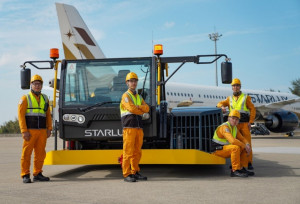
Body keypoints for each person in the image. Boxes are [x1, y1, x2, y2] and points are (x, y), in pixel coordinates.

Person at [18, 74, 52, 183]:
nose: (37, 86)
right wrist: (24, 131)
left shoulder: (45, 98)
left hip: (42, 131)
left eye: (39, 84)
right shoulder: (25, 98)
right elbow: (21, 116)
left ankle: (38, 173)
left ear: (42, 86)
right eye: (35, 84)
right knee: (27, 153)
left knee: (40, 153)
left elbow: (48, 115)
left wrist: (49, 128)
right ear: (31, 85)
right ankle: (25, 175)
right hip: (30, 131)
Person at [217, 78, 256, 170]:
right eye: (234, 86)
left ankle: (249, 162)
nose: (235, 87)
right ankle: (236, 162)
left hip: (244, 124)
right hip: (234, 125)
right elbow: (219, 103)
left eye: (237, 85)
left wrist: (250, 122)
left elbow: (252, 109)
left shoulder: (246, 97)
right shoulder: (229, 99)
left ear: (240, 87)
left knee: (247, 142)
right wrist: (221, 107)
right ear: (232, 88)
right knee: (235, 143)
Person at [120, 72, 150, 182]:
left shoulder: (139, 96)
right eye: (131, 81)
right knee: (128, 152)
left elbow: (147, 108)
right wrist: (141, 111)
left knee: (137, 151)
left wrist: (139, 107)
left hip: (138, 128)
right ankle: (126, 174)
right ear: (127, 83)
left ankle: (135, 172)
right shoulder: (126, 96)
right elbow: (131, 109)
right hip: (129, 128)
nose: (133, 83)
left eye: (135, 81)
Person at [212, 110, 254, 177]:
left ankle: (240, 168)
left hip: (225, 149)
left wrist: (247, 145)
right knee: (235, 148)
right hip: (217, 150)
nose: (234, 120)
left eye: (237, 119)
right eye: (233, 118)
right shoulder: (224, 127)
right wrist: (244, 146)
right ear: (228, 118)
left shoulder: (234, 128)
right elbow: (232, 141)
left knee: (243, 148)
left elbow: (242, 138)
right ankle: (235, 170)